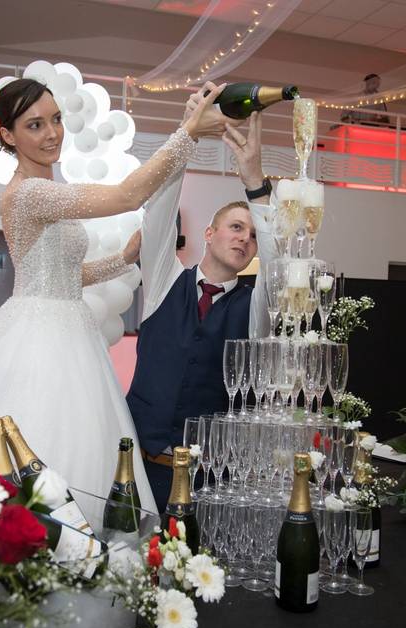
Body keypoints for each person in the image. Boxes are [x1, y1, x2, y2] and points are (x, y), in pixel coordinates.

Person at [0, 78, 233, 513]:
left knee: (81, 435)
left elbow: (66, 276)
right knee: (43, 430)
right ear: (8, 136)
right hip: (38, 338)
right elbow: (129, 194)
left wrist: (125, 259)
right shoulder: (28, 194)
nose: (51, 134)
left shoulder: (45, 192)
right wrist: (188, 135)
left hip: (68, 324)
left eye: (55, 119)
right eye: (34, 125)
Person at [128, 100, 279, 510]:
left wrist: (254, 181)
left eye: (251, 235)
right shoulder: (163, 282)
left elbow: (279, 265)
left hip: (211, 482)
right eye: (234, 227)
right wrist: (187, 133)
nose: (243, 239)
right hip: (140, 473)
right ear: (209, 233)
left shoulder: (254, 310)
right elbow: (158, 213)